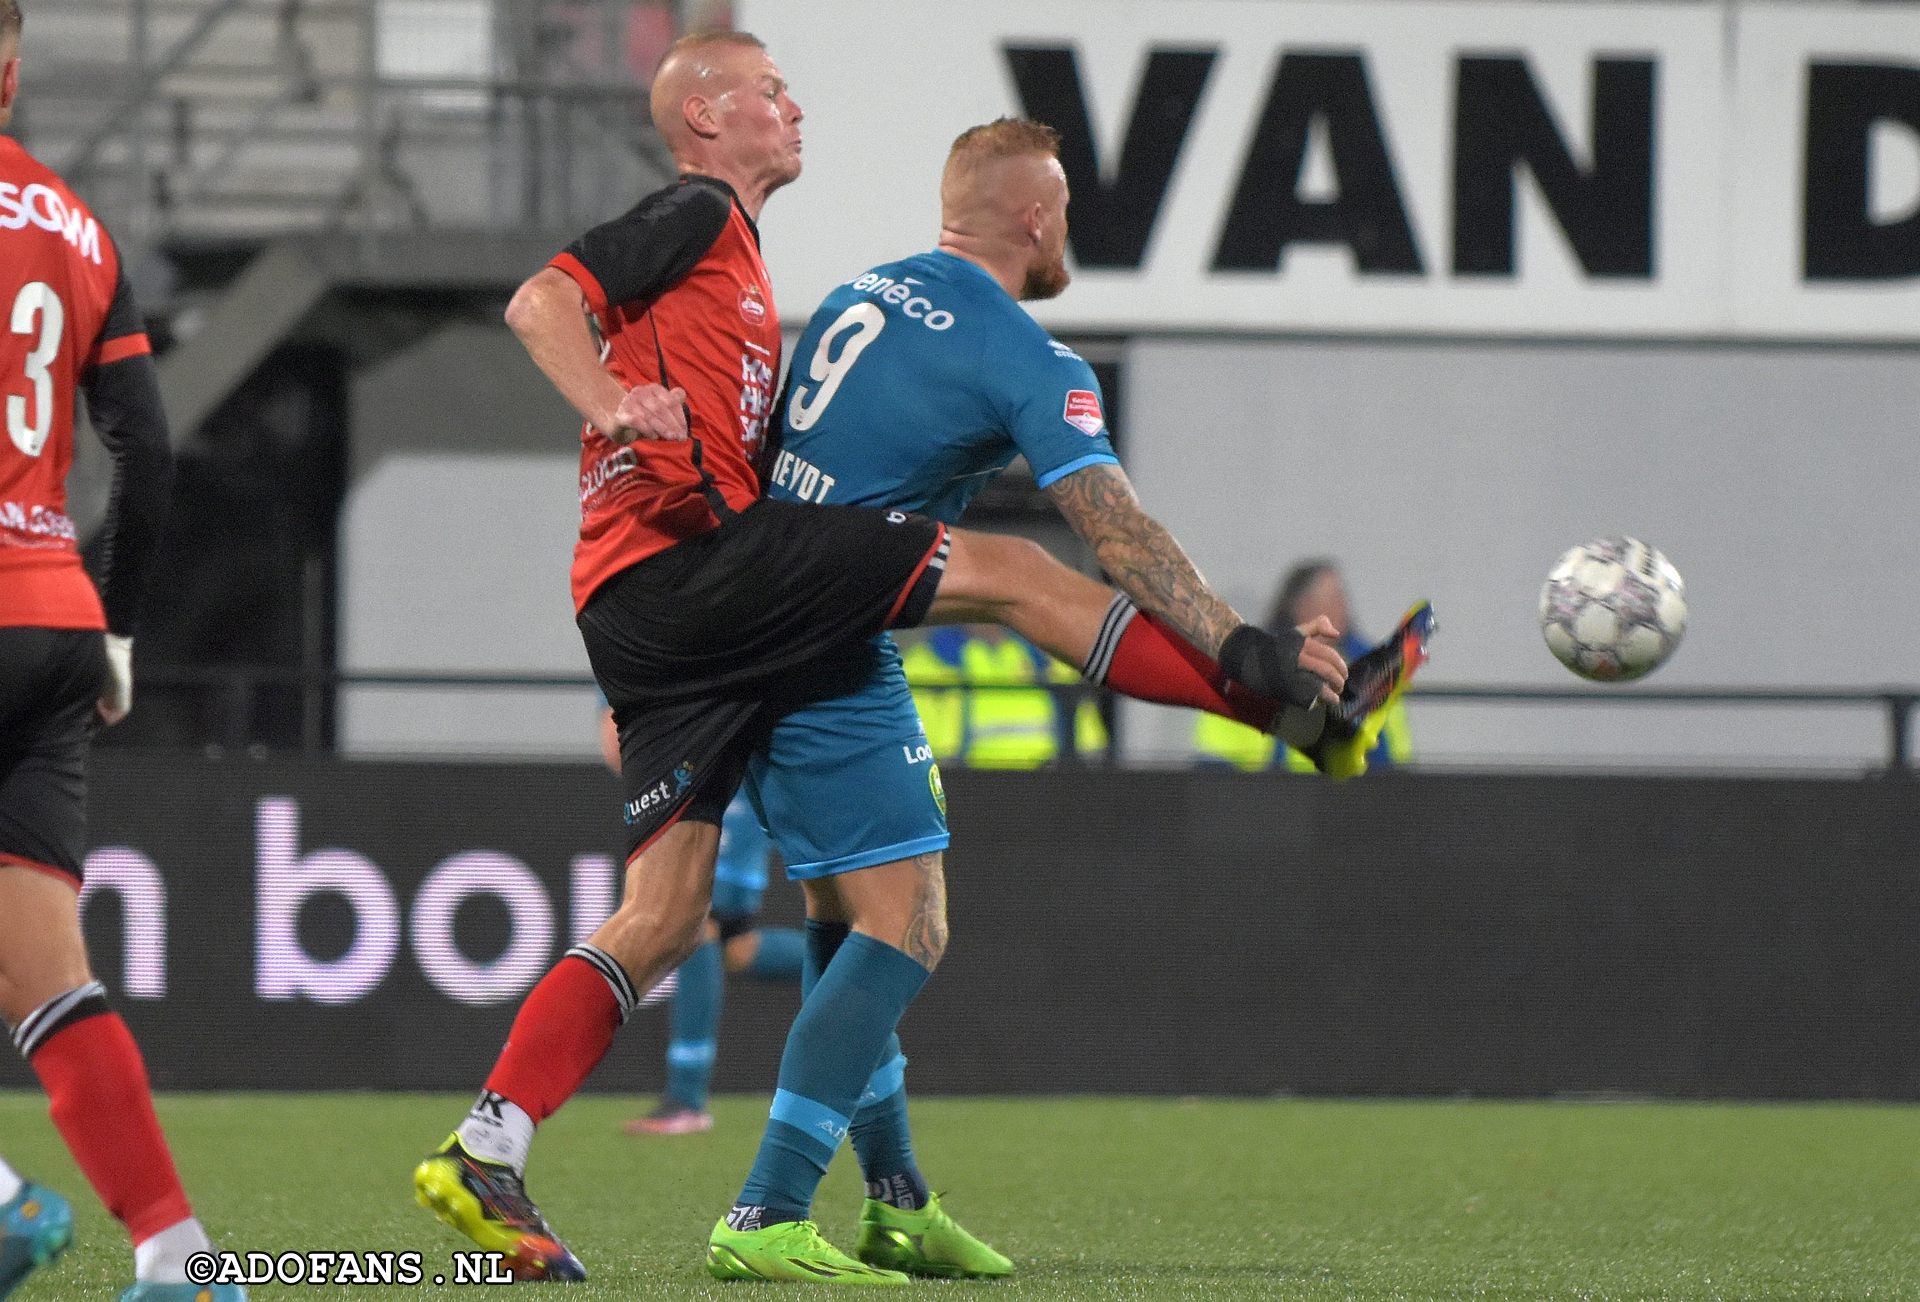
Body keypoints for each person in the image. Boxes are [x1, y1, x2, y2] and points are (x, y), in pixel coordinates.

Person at [411, 32, 1393, 1284]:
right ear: (1037, 221)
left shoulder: (859, 289)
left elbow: (745, 436)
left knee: (669, 917)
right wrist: (1246, 653)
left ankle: (493, 1143)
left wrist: (651, 667)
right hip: (733, 589)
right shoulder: (707, 218)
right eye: (770, 90)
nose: (793, 104)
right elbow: (542, 302)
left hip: (659, 619)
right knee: (1019, 587)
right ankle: (1291, 718)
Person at [0, 5, 246, 1299]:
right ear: (12, 64)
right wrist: (118, 624)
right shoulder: (78, 227)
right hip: (49, 620)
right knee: (48, 975)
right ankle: (176, 1249)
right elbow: (146, 455)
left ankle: (3, 1206)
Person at [593, 708, 805, 1137]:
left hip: (722, 785)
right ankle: (862, 963)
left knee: (697, 923)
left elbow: (620, 747)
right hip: (697, 783)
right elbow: (617, 749)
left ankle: (687, 1100)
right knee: (736, 948)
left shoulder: (629, 643)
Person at [1195, 561, 1414, 772]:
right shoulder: (1257, 662)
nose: (1342, 607)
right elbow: (1217, 759)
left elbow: (1395, 752)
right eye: (1332, 599)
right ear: (1302, 606)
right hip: (1270, 793)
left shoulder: (1376, 666)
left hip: (1356, 795)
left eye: (1341, 598)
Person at [903, 625, 1107, 768]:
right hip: (961, 802)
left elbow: (1092, 752)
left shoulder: (1052, 663)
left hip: (1047, 801)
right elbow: (912, 764)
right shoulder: (919, 666)